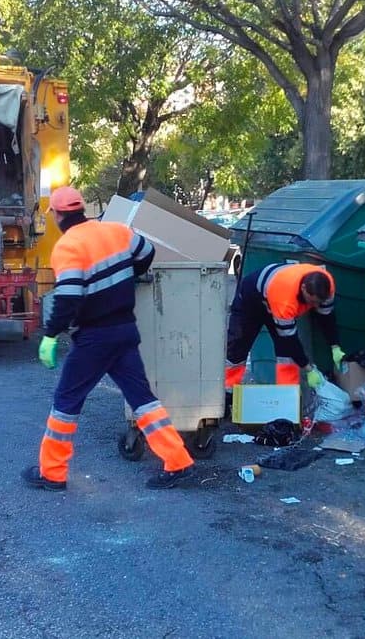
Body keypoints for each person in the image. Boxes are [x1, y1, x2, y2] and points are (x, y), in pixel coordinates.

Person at [22, 186, 195, 491]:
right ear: (82, 209)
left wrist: (50, 334)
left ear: (58, 215)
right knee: (143, 400)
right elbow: (147, 253)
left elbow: (70, 296)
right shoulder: (117, 231)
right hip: (125, 330)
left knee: (66, 402)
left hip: (94, 338)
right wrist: (130, 272)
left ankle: (52, 472)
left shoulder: (67, 247)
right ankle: (178, 461)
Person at [223, 262, 345, 414]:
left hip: (275, 292)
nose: (315, 305)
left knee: (286, 358)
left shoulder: (327, 286)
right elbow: (290, 340)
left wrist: (335, 346)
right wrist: (309, 369)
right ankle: (226, 395)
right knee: (238, 346)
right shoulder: (285, 299)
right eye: (312, 301)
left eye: (318, 302)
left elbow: (326, 318)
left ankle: (287, 401)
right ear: (303, 288)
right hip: (251, 300)